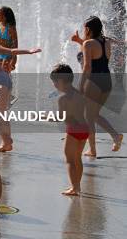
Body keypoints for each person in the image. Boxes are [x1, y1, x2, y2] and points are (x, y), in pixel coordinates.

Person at [71, 16, 123, 156]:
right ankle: (116, 136)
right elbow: (96, 49)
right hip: (107, 81)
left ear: (88, 29)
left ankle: (92, 149)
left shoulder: (88, 44)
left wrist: (80, 86)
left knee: (89, 116)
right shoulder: (106, 41)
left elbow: (87, 67)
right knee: (94, 115)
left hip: (94, 82)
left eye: (84, 28)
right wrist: (79, 41)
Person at [50, 64, 88, 196]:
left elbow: (60, 117)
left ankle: (74, 187)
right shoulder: (79, 94)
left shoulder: (63, 98)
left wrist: (43, 117)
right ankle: (78, 185)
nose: (54, 84)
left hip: (73, 130)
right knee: (77, 158)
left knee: (70, 160)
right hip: (84, 129)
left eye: (55, 81)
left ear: (62, 81)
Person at [0, 6, 18, 73]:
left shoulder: (11, 28)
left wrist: (13, 59)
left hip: (8, 56)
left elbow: (15, 45)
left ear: (4, 16)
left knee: (4, 75)